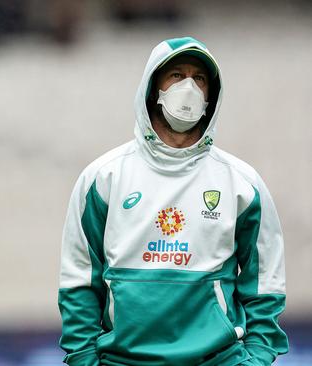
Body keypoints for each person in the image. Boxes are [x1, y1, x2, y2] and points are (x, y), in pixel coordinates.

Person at [58, 36, 288, 365]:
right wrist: (84, 358)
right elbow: (78, 282)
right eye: (177, 75)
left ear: (212, 95)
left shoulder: (242, 183)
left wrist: (256, 358)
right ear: (153, 88)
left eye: (200, 78)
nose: (189, 87)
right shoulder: (102, 178)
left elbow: (265, 284)